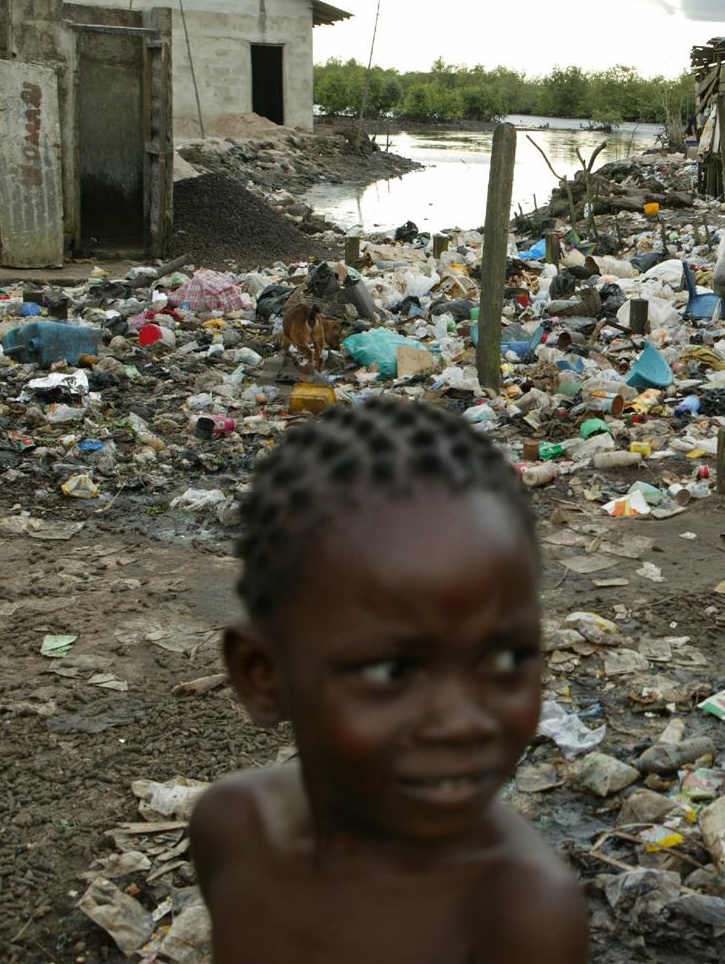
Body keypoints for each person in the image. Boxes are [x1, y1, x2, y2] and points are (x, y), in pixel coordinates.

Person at [189, 397, 589, 964]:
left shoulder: (518, 918)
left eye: (504, 661)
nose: (462, 722)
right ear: (263, 676)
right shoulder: (233, 829)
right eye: (392, 671)